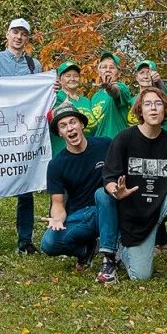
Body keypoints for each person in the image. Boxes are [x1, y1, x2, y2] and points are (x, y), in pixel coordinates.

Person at [98, 89, 167, 289]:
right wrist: (117, 192)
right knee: (140, 276)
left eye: (158, 104)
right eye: (148, 104)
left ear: (165, 109)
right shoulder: (124, 139)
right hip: (133, 210)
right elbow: (108, 177)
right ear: (140, 110)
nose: (153, 108)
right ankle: (121, 249)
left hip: (161, 203)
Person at [0, 18, 44, 254]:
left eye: (23, 34)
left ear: (27, 38)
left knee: (25, 186)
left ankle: (25, 240)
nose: (18, 37)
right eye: (15, 32)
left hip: (23, 133)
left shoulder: (33, 64)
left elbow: (41, 93)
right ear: (7, 34)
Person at [39, 105, 116, 267]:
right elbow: (58, 203)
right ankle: (86, 250)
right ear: (60, 133)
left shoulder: (105, 144)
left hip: (109, 209)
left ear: (81, 124)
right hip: (81, 217)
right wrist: (57, 220)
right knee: (48, 243)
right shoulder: (56, 165)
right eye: (63, 125)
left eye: (72, 122)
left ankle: (110, 257)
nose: (69, 128)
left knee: (103, 194)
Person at [50, 61, 99, 156]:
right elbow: (45, 117)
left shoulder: (86, 101)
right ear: (59, 80)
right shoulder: (54, 97)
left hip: (87, 154)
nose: (72, 79)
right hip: (64, 155)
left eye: (75, 76)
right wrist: (58, 109)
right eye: (68, 76)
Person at [88, 53, 136, 140]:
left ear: (118, 72)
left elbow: (115, 92)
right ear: (99, 71)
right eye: (104, 67)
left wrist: (109, 88)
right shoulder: (95, 96)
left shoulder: (123, 88)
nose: (108, 70)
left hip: (118, 143)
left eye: (112, 67)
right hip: (99, 146)